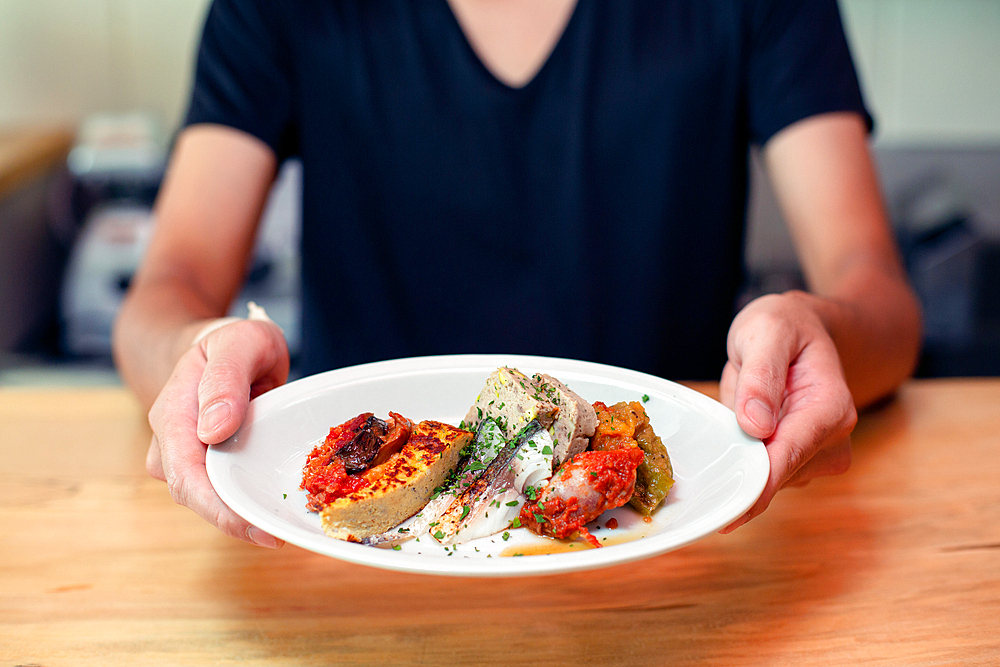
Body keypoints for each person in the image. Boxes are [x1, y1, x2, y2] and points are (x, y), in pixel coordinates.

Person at [113, 0, 923, 548]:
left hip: (671, 557)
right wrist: (200, 356)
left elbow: (879, 301)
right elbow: (165, 291)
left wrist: (821, 333)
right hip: (346, 570)